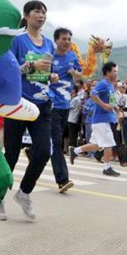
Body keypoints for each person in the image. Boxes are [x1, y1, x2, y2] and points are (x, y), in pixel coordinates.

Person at [0, 0, 56, 222]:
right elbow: (7, 70)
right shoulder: (17, 41)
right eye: (37, 12)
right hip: (18, 103)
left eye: (44, 12)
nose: (41, 16)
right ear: (27, 16)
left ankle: (24, 193)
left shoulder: (49, 44)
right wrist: (30, 67)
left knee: (43, 152)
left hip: (42, 104)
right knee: (11, 154)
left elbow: (48, 71)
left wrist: (52, 75)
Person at [70, 62, 121, 177]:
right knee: (108, 143)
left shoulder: (111, 86)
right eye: (114, 71)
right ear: (108, 72)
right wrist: (103, 105)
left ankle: (75, 151)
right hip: (100, 119)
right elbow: (93, 94)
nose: (116, 73)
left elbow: (111, 102)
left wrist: (117, 109)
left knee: (96, 145)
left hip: (106, 119)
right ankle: (107, 167)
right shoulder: (103, 84)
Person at [48, 27, 82, 193]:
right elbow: (39, 75)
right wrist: (50, 77)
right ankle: (63, 179)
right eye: (64, 39)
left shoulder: (73, 56)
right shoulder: (49, 56)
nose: (67, 41)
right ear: (56, 40)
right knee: (56, 141)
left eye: (69, 39)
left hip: (66, 104)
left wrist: (75, 73)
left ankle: (33, 152)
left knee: (57, 138)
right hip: (52, 103)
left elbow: (80, 75)